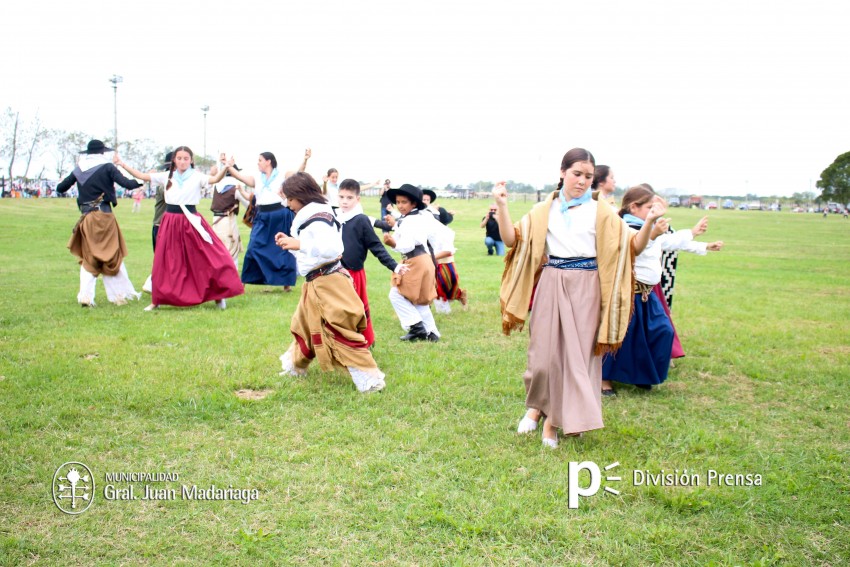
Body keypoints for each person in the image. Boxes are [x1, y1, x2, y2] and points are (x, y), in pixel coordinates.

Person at [496, 148, 665, 448]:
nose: (582, 181)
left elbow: (633, 248)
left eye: (588, 176)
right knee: (543, 357)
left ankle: (552, 422)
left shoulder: (603, 211)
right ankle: (536, 408)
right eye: (577, 174)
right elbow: (511, 240)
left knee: (576, 357)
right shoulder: (543, 209)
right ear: (562, 172)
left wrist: (650, 221)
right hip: (551, 282)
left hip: (587, 285)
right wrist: (502, 206)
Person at [602, 186, 723, 392]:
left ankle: (641, 374)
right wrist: (652, 234)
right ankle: (604, 380)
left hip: (647, 295)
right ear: (633, 207)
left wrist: (702, 243)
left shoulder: (647, 227)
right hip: (628, 294)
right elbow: (635, 248)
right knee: (620, 338)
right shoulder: (623, 227)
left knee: (662, 331)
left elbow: (669, 242)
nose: (653, 212)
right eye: (649, 207)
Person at [276, 172, 387, 393]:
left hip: (327, 282)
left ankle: (370, 380)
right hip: (316, 282)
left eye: (290, 199)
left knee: (340, 329)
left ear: (301, 196)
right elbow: (313, 250)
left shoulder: (318, 218)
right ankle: (295, 367)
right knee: (304, 326)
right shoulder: (317, 212)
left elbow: (330, 249)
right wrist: (292, 242)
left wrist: (298, 244)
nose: (288, 204)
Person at [115, 146, 244, 310]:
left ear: (191, 160)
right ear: (174, 160)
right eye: (179, 158)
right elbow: (142, 176)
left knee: (208, 257)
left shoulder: (197, 176)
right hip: (170, 222)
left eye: (186, 158)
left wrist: (226, 167)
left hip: (191, 221)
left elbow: (215, 179)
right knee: (165, 261)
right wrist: (122, 164)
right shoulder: (166, 176)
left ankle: (218, 296)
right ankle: (157, 300)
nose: (182, 162)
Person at [56, 139, 144, 307]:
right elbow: (127, 184)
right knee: (112, 255)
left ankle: (86, 296)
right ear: (103, 152)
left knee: (89, 256)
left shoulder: (79, 168)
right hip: (104, 216)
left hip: (87, 217)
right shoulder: (107, 167)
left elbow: (61, 188)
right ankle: (118, 295)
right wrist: (143, 180)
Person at [335, 179, 405, 347]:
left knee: (356, 310)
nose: (344, 201)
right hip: (335, 272)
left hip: (353, 273)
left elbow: (376, 247)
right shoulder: (334, 217)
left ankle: (363, 341)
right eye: (341, 197)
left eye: (349, 198)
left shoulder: (361, 220)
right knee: (337, 310)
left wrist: (394, 265)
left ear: (357, 199)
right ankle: (340, 344)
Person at [225, 152, 301, 291]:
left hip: (280, 215)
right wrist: (228, 166)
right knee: (253, 247)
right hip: (262, 215)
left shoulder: (282, 175)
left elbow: (298, 173)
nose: (258, 162)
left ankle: (286, 284)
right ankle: (244, 283)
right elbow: (240, 176)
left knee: (284, 247)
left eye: (260, 160)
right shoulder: (256, 178)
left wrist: (305, 160)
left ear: (268, 161)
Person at [382, 184, 443, 342]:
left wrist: (393, 243)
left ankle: (416, 327)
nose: (400, 206)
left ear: (414, 203)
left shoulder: (411, 220)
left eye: (404, 202)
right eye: (398, 202)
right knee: (420, 299)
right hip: (424, 260)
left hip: (415, 260)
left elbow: (407, 244)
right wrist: (395, 227)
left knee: (396, 294)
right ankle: (432, 333)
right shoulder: (415, 218)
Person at [209, 153, 245, 268]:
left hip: (216, 221)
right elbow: (248, 203)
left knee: (218, 253)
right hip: (228, 222)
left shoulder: (217, 186)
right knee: (232, 253)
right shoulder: (235, 187)